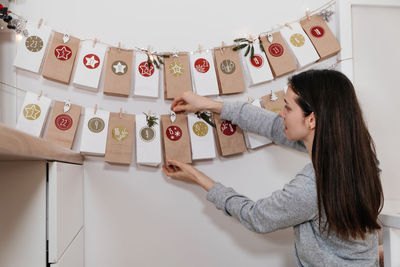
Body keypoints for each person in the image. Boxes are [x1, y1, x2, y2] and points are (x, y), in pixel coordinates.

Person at [162, 69, 383, 266]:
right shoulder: (360, 155)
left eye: (287, 107)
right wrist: (208, 104)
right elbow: (271, 125)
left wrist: (199, 178)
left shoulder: (312, 187)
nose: (281, 113)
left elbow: (256, 217)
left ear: (312, 120)